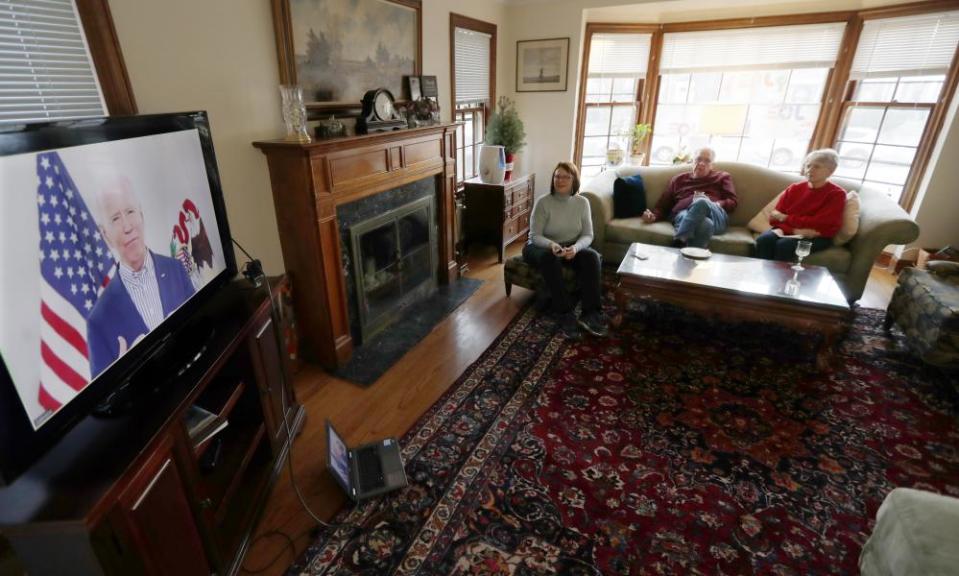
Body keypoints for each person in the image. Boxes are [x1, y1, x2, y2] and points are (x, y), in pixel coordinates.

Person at [86, 177, 196, 378]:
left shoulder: (176, 270)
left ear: (141, 215)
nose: (127, 226)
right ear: (105, 234)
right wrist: (122, 375)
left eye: (130, 211)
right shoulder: (98, 321)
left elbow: (202, 327)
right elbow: (102, 403)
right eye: (115, 219)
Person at [523, 162, 607, 337]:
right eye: (557, 176)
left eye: (565, 177)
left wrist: (575, 248)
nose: (560, 180)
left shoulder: (583, 203)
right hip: (538, 246)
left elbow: (588, 235)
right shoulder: (543, 202)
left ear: (574, 180)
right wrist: (551, 245)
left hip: (569, 244)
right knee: (549, 258)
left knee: (591, 257)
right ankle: (564, 313)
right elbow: (535, 235)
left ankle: (590, 313)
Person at [755, 149, 846, 262]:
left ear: (830, 171)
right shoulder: (794, 188)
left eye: (817, 167)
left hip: (818, 236)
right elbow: (774, 218)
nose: (809, 170)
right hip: (788, 231)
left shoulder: (837, 194)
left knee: (784, 245)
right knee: (764, 240)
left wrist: (786, 218)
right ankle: (760, 276)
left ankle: (779, 279)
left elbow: (822, 223)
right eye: (808, 166)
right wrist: (794, 230)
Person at [641, 147, 738, 248]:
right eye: (698, 159)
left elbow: (733, 202)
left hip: (716, 217)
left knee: (702, 201)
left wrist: (715, 204)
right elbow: (663, 206)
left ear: (712, 166)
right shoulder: (678, 179)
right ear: (692, 161)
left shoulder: (723, 177)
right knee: (705, 224)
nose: (701, 163)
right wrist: (653, 216)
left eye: (707, 161)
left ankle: (678, 242)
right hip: (684, 214)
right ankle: (690, 260)